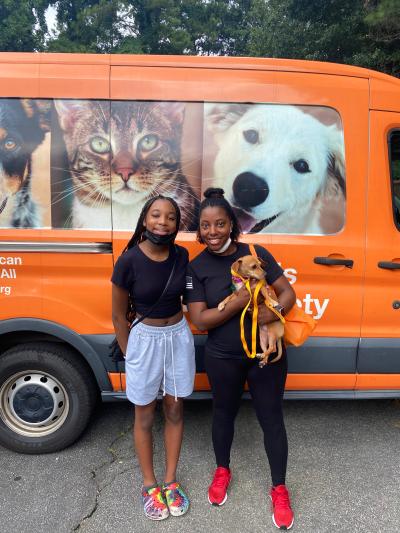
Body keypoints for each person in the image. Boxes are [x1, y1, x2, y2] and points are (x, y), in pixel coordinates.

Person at [185, 188, 297, 530]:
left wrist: (272, 311)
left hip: (264, 356)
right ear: (199, 229)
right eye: (205, 226)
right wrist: (240, 301)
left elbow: (288, 293)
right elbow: (201, 320)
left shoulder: (255, 252)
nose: (213, 231)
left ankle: (279, 487)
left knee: (271, 419)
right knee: (223, 414)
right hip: (222, 357)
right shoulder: (197, 267)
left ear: (232, 225)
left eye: (220, 224)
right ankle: (222, 470)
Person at [111, 195, 195, 521]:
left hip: (178, 336)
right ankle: (149, 484)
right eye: (156, 215)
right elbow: (119, 317)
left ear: (177, 223)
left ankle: (171, 481)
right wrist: (131, 353)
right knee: (144, 414)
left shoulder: (182, 255)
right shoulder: (129, 260)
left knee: (174, 408)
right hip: (144, 340)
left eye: (171, 217)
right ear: (145, 219)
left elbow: (191, 295)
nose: (163, 222)